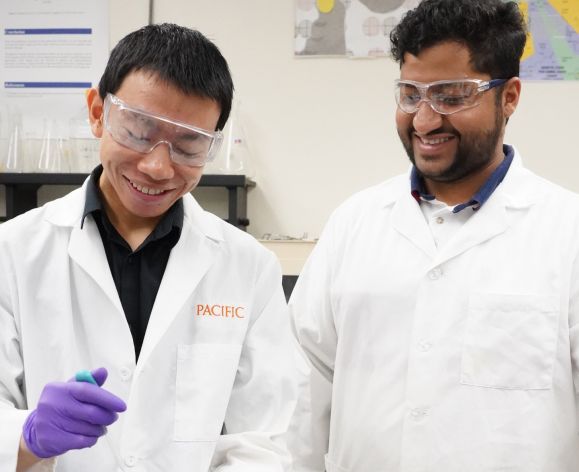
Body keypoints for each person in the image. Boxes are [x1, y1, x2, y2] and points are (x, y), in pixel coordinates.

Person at [287, 0, 579, 470]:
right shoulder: (355, 223)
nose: (424, 120)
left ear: (510, 97)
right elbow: (301, 390)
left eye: (451, 96)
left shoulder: (567, 233)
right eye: (410, 94)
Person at [0, 24, 296, 472]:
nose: (158, 166)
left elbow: (261, 440)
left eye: (189, 146)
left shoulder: (248, 267)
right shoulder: (13, 252)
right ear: (98, 111)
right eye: (138, 133)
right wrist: (27, 436)